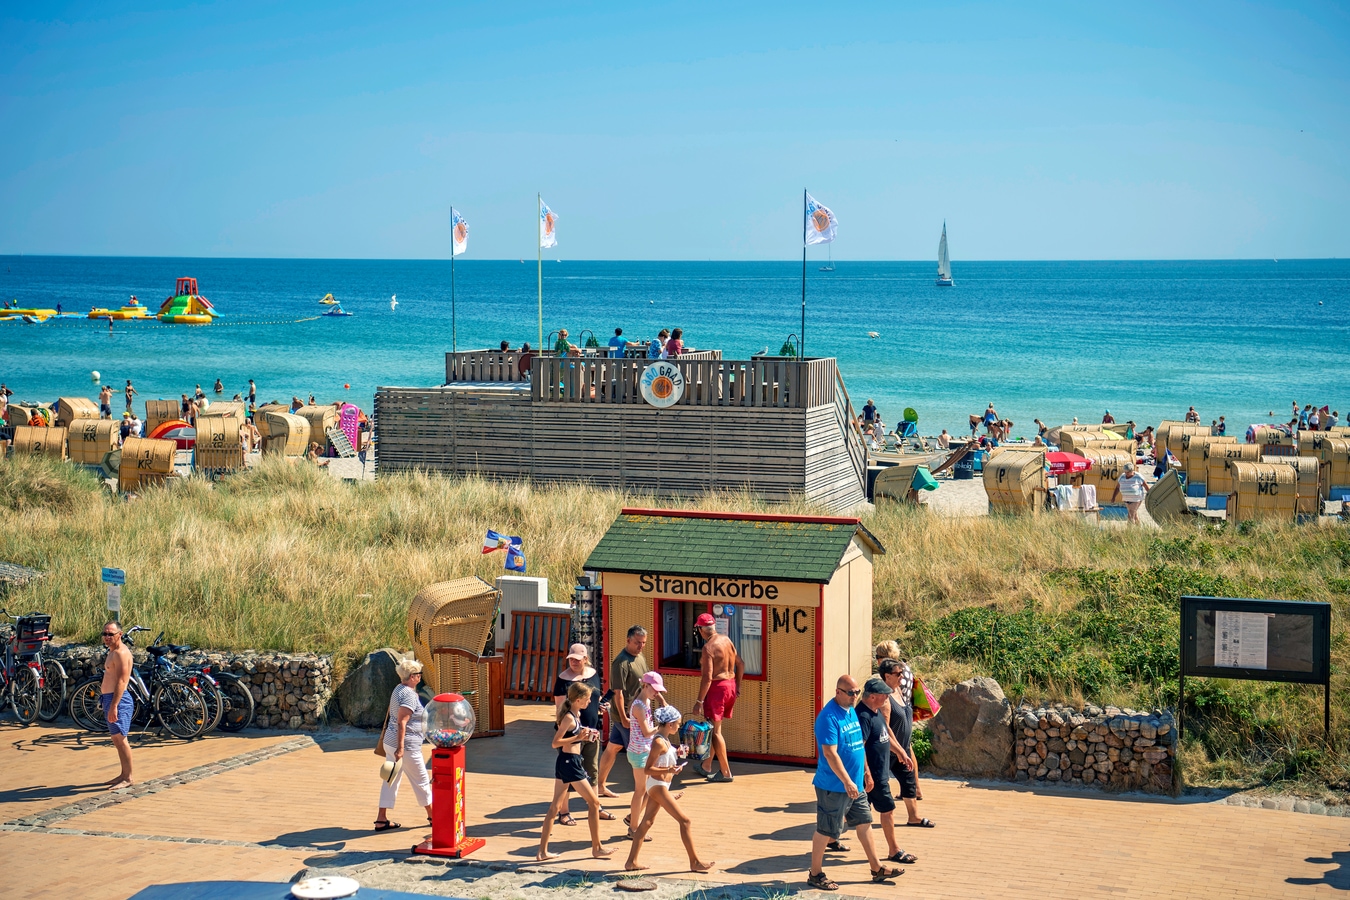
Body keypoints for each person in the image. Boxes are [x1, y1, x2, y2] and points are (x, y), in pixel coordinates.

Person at [807, 675, 900, 891]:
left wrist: (866, 773)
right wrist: (847, 781)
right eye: (850, 693)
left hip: (855, 784)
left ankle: (876, 868)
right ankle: (815, 874)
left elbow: (858, 746)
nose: (855, 696)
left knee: (864, 823)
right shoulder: (828, 717)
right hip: (834, 785)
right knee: (825, 829)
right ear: (838, 691)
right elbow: (830, 754)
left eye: (857, 692)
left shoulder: (851, 712)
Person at [624, 706, 715, 873]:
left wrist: (673, 766)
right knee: (685, 821)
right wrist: (669, 771)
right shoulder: (658, 742)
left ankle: (631, 862)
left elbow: (663, 763)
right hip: (658, 786)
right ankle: (694, 862)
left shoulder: (664, 740)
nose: (679, 726)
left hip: (661, 786)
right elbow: (647, 769)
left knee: (646, 823)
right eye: (678, 724)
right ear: (670, 724)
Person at [537, 682, 614, 861]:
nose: (590, 702)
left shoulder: (576, 714)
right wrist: (578, 737)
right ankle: (597, 847)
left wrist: (585, 734)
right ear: (578, 700)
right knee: (594, 804)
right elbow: (555, 743)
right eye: (587, 699)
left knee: (554, 808)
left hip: (568, 762)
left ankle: (542, 851)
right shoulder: (569, 718)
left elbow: (573, 738)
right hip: (570, 763)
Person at [857, 677, 919, 866]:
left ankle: (831, 840)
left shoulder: (875, 711)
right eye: (885, 694)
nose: (888, 697)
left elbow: (884, 736)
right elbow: (860, 747)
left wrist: (902, 752)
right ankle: (894, 850)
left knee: (846, 811)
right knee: (888, 810)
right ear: (873, 696)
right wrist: (867, 774)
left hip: (878, 773)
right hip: (873, 775)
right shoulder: (863, 716)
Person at [551, 643, 614, 826]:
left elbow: (595, 698)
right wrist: (577, 731)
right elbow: (560, 711)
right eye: (571, 659)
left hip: (592, 732)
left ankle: (596, 808)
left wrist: (602, 705)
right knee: (567, 774)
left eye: (577, 659)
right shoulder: (563, 680)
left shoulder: (593, 675)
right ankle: (564, 812)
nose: (573, 662)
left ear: (585, 659)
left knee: (592, 771)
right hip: (573, 736)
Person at [374, 658, 432, 832]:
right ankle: (433, 816)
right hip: (406, 746)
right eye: (419, 674)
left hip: (390, 743)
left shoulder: (398, 689)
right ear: (412, 676)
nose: (420, 677)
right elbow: (402, 722)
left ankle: (381, 819)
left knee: (390, 779)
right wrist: (401, 748)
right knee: (421, 780)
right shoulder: (409, 694)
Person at [878, 657, 932, 828]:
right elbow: (885, 727)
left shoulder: (899, 690)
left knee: (909, 782)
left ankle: (914, 817)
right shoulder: (885, 698)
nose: (902, 676)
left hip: (903, 747)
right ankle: (849, 814)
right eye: (898, 674)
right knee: (871, 785)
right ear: (887, 676)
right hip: (889, 750)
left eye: (902, 673)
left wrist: (904, 748)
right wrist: (899, 749)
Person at [598, 626, 648, 798]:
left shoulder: (640, 656)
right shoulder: (621, 662)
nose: (640, 646)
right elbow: (617, 693)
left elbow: (645, 682)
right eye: (637, 643)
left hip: (635, 714)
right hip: (627, 717)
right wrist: (624, 718)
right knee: (639, 755)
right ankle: (643, 794)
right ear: (628, 640)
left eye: (643, 643)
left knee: (612, 748)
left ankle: (600, 786)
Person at [692, 612, 743, 783]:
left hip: (717, 689)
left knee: (715, 732)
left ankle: (725, 772)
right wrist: (738, 685)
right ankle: (707, 765)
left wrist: (699, 702)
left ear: (701, 630)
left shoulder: (708, 648)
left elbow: (707, 678)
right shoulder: (726, 640)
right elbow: (740, 664)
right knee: (714, 728)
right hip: (730, 685)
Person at [625, 671, 668, 839]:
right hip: (638, 752)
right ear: (645, 685)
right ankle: (634, 828)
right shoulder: (638, 706)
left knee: (647, 790)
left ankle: (633, 819)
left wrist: (662, 701)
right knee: (640, 790)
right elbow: (647, 732)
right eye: (654, 689)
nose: (656, 692)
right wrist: (662, 727)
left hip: (644, 750)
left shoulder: (646, 701)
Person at [100, 621, 135, 790]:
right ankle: (123, 774)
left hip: (118, 700)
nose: (107, 637)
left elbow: (122, 681)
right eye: (105, 634)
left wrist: (114, 705)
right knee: (116, 739)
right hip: (109, 699)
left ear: (120, 634)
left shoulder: (120, 653)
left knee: (121, 739)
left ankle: (128, 777)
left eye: (110, 634)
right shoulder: (112, 651)